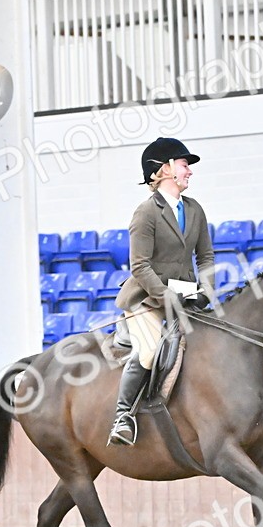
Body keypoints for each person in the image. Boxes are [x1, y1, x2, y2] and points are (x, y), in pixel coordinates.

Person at [108, 137, 214, 446]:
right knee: (150, 350)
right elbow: (139, 267)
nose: (189, 172)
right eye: (184, 165)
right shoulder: (146, 213)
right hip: (146, 298)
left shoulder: (194, 210)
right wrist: (169, 297)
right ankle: (123, 416)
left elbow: (205, 256)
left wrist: (205, 289)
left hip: (186, 294)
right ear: (165, 169)